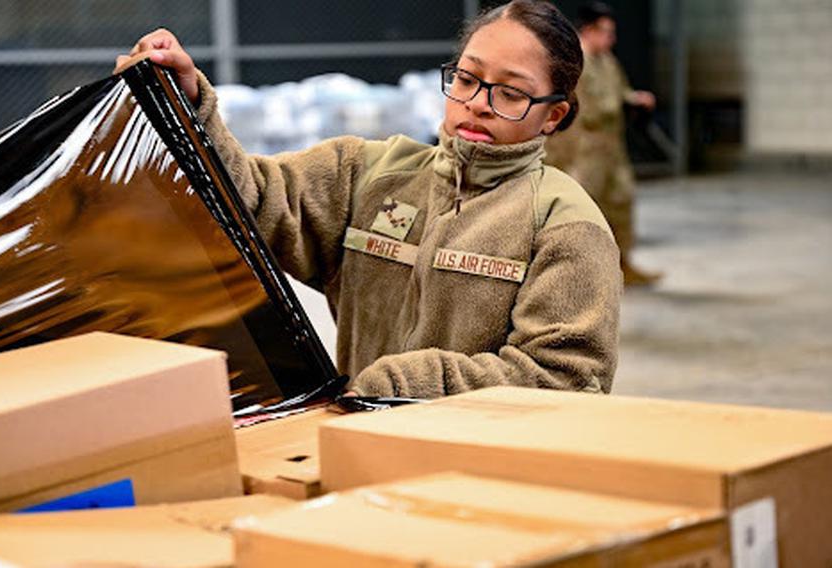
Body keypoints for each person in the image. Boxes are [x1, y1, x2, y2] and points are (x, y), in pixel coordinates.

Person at [115, 0, 621, 398]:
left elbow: (564, 379)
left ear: (552, 115)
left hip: (479, 480)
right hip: (356, 444)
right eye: (466, 79)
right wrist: (184, 106)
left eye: (510, 94)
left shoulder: (564, 225)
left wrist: (403, 386)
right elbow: (251, 203)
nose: (476, 105)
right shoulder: (366, 174)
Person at [544, 1, 661, 286]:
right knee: (585, 209)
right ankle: (582, 274)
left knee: (620, 200)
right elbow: (579, 110)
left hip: (610, 146)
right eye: (606, 32)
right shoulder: (576, 62)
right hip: (584, 148)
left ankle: (623, 265)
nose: (612, 39)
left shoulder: (607, 60)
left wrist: (634, 98)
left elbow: (620, 92)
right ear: (589, 30)